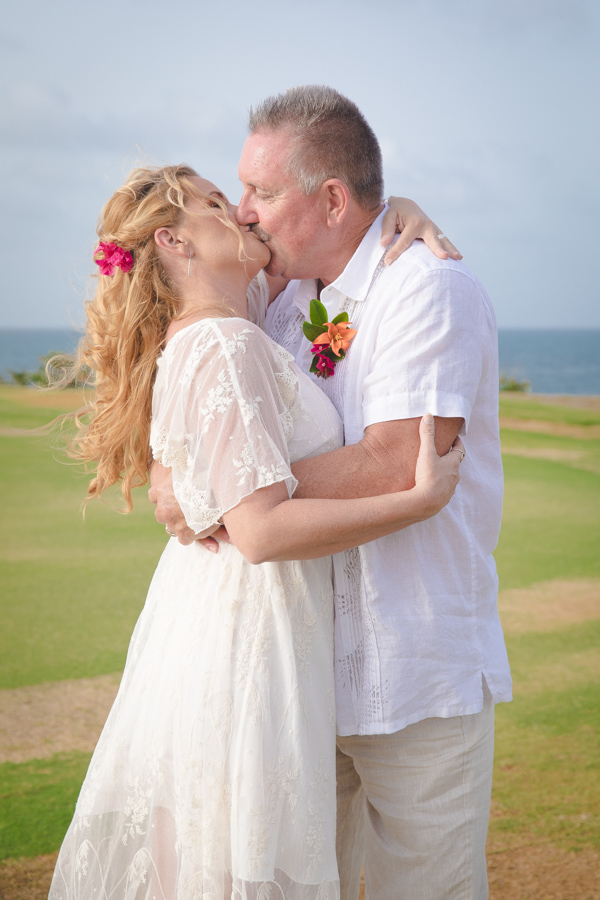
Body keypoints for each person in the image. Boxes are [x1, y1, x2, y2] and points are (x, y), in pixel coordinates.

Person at [48, 164, 463, 900]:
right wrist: (418, 501)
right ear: (175, 242)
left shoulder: (234, 322)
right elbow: (262, 529)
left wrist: (389, 207)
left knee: (214, 844)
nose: (241, 213)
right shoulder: (226, 342)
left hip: (218, 609)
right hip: (251, 619)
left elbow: (317, 240)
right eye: (216, 206)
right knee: (245, 850)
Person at [153, 86, 512, 900]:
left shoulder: (427, 289)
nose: (243, 213)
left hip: (413, 675)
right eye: (238, 193)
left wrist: (231, 497)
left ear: (334, 199)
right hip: (294, 679)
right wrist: (173, 470)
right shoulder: (277, 297)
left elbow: (397, 462)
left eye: (262, 193)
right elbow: (191, 383)